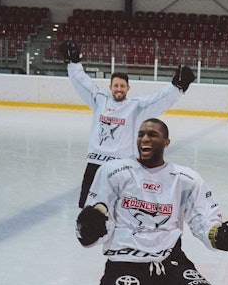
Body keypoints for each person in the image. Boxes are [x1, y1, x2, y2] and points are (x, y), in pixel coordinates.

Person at [76, 118, 228, 285]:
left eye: (152, 134)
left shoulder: (186, 179)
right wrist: (90, 229)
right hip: (126, 261)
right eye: (141, 134)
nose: (145, 138)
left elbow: (204, 222)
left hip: (169, 261)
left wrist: (221, 236)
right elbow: (97, 221)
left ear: (166, 142)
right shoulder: (113, 172)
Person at [58, 39, 195, 207]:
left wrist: (177, 87)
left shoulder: (135, 106)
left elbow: (158, 100)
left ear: (128, 88)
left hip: (122, 165)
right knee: (87, 207)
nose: (119, 89)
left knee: (120, 208)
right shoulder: (99, 100)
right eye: (116, 86)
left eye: (122, 86)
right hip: (95, 163)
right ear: (110, 87)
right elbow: (82, 82)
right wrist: (73, 63)